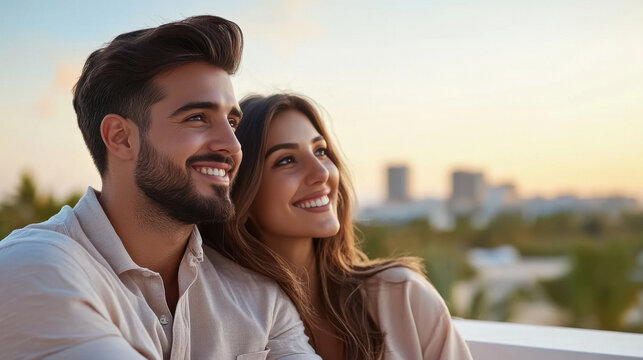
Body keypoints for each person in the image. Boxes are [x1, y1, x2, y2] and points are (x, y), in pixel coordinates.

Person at [0, 17, 320, 359]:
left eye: (231, 122)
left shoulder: (262, 302)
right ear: (121, 138)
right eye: (197, 117)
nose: (232, 144)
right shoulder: (32, 268)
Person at [200, 94, 473, 360]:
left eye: (320, 151)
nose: (321, 173)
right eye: (286, 160)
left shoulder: (403, 297)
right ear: (241, 195)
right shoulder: (222, 323)